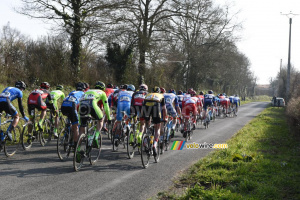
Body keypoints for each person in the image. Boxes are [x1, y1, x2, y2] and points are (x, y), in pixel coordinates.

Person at [78, 81, 111, 150]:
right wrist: (109, 118)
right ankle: (96, 136)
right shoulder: (102, 92)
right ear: (103, 88)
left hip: (82, 106)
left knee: (82, 129)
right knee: (101, 119)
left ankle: (77, 150)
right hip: (91, 105)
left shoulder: (88, 91)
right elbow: (106, 107)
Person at [141, 86, 167, 156]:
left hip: (146, 107)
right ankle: (154, 145)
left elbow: (142, 106)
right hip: (156, 106)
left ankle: (145, 140)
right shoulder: (161, 95)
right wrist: (165, 118)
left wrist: (142, 117)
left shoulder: (147, 95)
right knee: (157, 127)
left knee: (147, 125)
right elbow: (164, 109)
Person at [60, 82, 85, 148]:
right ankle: (76, 145)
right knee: (76, 126)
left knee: (70, 120)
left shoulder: (72, 92)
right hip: (72, 105)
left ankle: (67, 131)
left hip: (63, 105)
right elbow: (81, 106)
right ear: (83, 89)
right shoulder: (83, 94)